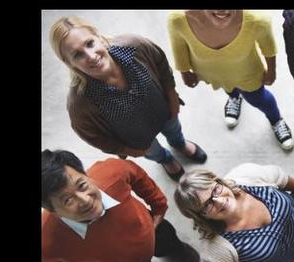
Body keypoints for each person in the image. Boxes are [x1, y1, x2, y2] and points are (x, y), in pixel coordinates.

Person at [49, 16, 208, 182]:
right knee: (154, 152)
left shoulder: (134, 46)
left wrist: (172, 96)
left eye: (90, 43)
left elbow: (160, 63)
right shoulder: (80, 103)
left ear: (98, 37)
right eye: (77, 55)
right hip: (139, 140)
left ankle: (179, 144)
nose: (90, 56)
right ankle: (165, 159)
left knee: (174, 130)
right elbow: (93, 136)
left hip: (164, 111)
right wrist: (127, 149)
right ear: (69, 63)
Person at [41, 149, 199, 262]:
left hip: (153, 230)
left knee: (168, 242)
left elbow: (136, 174)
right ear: (53, 211)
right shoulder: (46, 241)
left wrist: (158, 206)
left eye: (82, 185)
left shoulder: (111, 172)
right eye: (67, 200)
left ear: (87, 176)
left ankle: (176, 249)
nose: (86, 200)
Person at [173, 163, 294, 262]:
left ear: (218, 181)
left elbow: (281, 177)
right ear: (200, 216)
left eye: (215, 190)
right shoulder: (217, 247)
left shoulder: (247, 175)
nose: (219, 201)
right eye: (206, 206)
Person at [167, 10, 294, 150]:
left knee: (258, 98)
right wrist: (184, 71)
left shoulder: (257, 22)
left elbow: (269, 48)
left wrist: (271, 71)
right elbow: (178, 46)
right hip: (213, 73)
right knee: (228, 88)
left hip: (247, 74)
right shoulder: (178, 21)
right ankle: (234, 98)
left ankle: (276, 120)